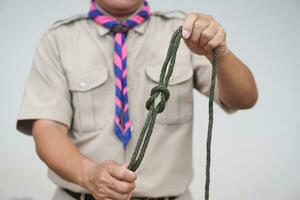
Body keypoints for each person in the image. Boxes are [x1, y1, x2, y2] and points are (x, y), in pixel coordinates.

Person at [16, 0, 258, 199]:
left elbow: (244, 99)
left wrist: (221, 53)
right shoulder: (58, 40)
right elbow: (48, 129)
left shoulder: (186, 33)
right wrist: (89, 174)